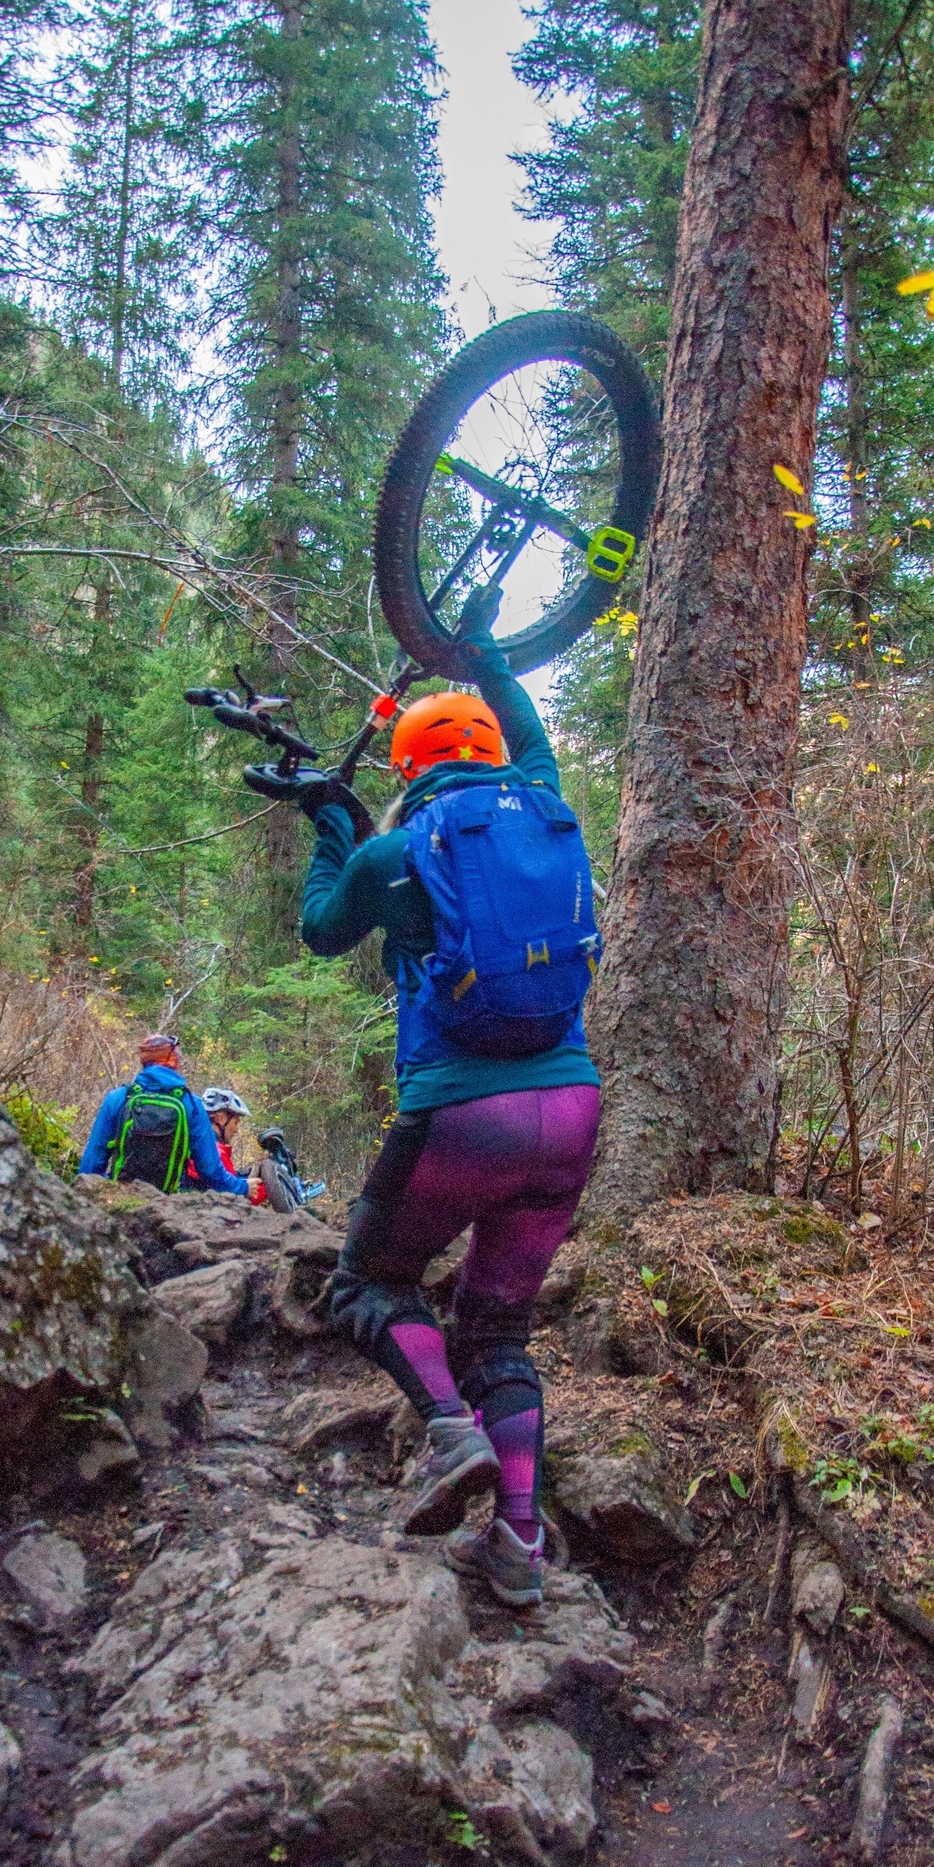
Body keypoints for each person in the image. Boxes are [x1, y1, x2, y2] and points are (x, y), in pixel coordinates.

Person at [299, 595, 601, 1610]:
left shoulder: (396, 851)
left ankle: (446, 1429)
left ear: (408, 769)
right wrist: (480, 654)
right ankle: (518, 1545)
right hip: (570, 1109)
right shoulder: (546, 801)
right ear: (486, 750)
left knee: (368, 1286)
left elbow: (321, 932)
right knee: (499, 1334)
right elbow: (528, 730)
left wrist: (331, 832)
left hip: (460, 1113)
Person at [79, 1036, 255, 1198]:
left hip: (122, 1196)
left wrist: (87, 1196)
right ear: (174, 1061)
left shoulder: (119, 1098)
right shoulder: (190, 1104)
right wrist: (243, 1188)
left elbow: (93, 1161)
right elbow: (209, 1170)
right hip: (168, 1202)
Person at [197, 1086, 268, 1204]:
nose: (236, 1130)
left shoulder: (197, 1143)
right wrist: (266, 1188)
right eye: (236, 1122)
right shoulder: (216, 1151)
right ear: (220, 1118)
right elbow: (232, 1198)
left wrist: (243, 1175)